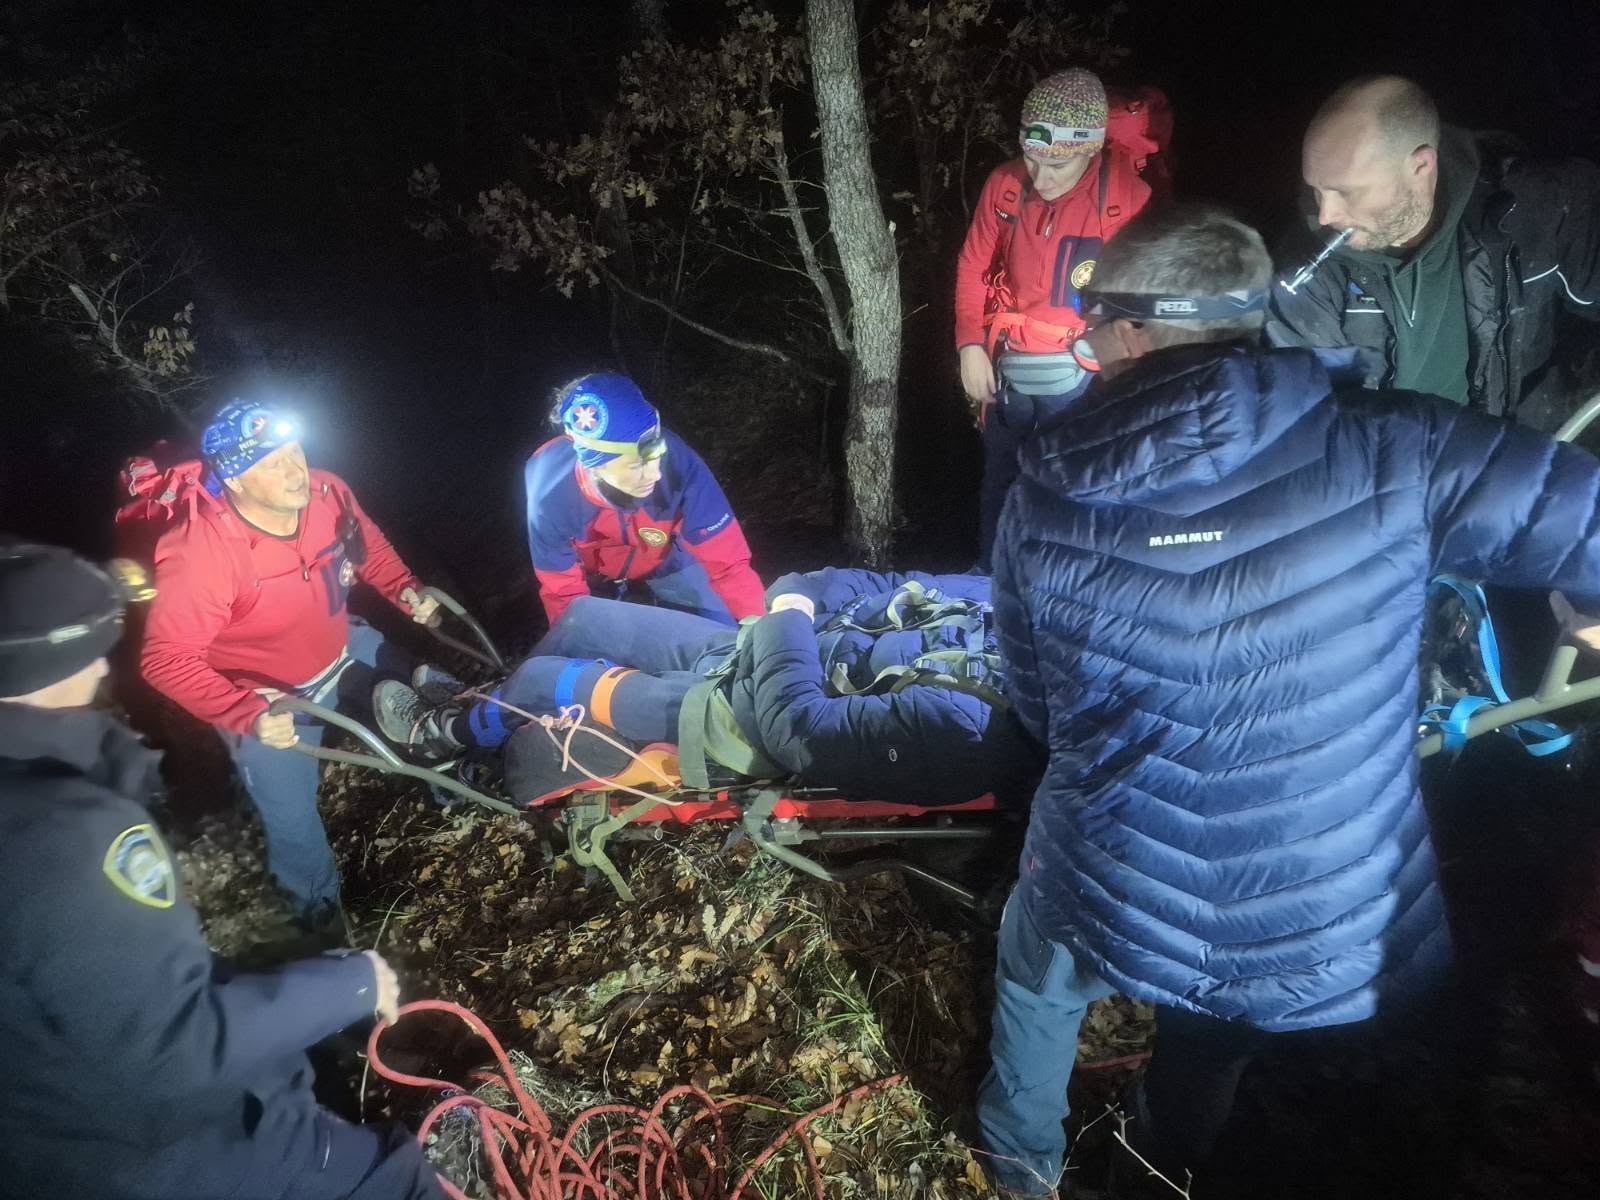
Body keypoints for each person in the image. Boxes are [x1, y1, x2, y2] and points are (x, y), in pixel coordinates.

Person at [980, 203, 1600, 1195]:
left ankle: (1016, 1169)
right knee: (1207, 1043)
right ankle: (1151, 1176)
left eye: (1096, 326)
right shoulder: (1401, 448)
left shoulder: (1041, 493)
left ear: (1139, 330)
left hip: (1116, 865)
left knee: (1036, 968)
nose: (1090, 346)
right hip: (1312, 905)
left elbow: (1033, 700)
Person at [0, 541, 443, 1200]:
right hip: (159, 1153)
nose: (103, 667)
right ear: (72, 656)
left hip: (51, 1138)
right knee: (398, 1182)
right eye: (101, 642)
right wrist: (348, 983)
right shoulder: (68, 831)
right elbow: (173, 1050)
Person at [372, 568, 1039, 810]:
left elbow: (797, 732)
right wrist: (798, 601)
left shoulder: (970, 728)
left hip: (725, 719)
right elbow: (876, 579)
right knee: (583, 619)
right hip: (758, 651)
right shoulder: (995, 604)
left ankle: (448, 742)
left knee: (551, 680)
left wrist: (788, 617)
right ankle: (493, 713)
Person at [140, 399, 439, 932]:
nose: (294, 470)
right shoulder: (200, 551)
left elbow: (366, 545)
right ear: (234, 481)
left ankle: (465, 797)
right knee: (294, 826)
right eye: (272, 463)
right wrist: (245, 712)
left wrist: (405, 590)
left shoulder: (326, 490)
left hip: (344, 646)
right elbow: (164, 659)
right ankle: (326, 935)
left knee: (436, 705)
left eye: (295, 452)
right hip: (268, 696)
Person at [1268, 75, 1600, 431]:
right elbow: (1317, 426)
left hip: (1524, 447)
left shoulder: (1535, 207)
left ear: (1421, 168)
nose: (1325, 215)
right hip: (1401, 470)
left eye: (1345, 192)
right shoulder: (1305, 272)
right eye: (1316, 190)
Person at [954, 68, 1167, 567]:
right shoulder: (1006, 186)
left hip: (1082, 373)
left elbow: (1141, 300)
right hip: (1011, 368)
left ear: (1091, 149)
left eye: (1058, 163)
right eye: (1032, 156)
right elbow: (972, 264)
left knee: (1072, 486)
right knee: (1000, 484)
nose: (1041, 177)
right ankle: (988, 584)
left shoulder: (1125, 203)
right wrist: (968, 344)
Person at [525, 372, 765, 627]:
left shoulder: (678, 462)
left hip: (666, 558)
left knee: (722, 630)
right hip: (597, 578)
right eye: (636, 465)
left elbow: (728, 562)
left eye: (656, 455)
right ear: (595, 467)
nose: (655, 473)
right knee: (607, 647)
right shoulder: (550, 494)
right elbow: (563, 592)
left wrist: (764, 627)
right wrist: (579, 643)